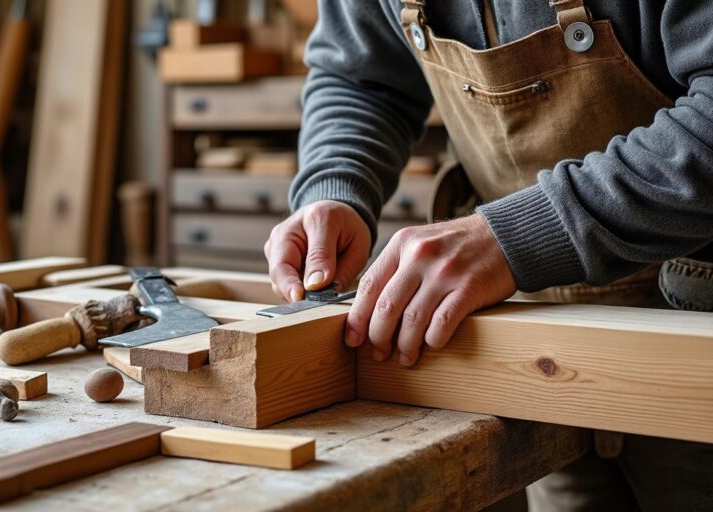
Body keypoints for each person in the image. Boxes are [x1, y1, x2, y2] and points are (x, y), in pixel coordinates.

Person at [265, 1, 713, 510]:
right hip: (534, 327)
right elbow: (361, 78)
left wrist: (514, 237)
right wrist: (336, 183)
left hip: (698, 322)